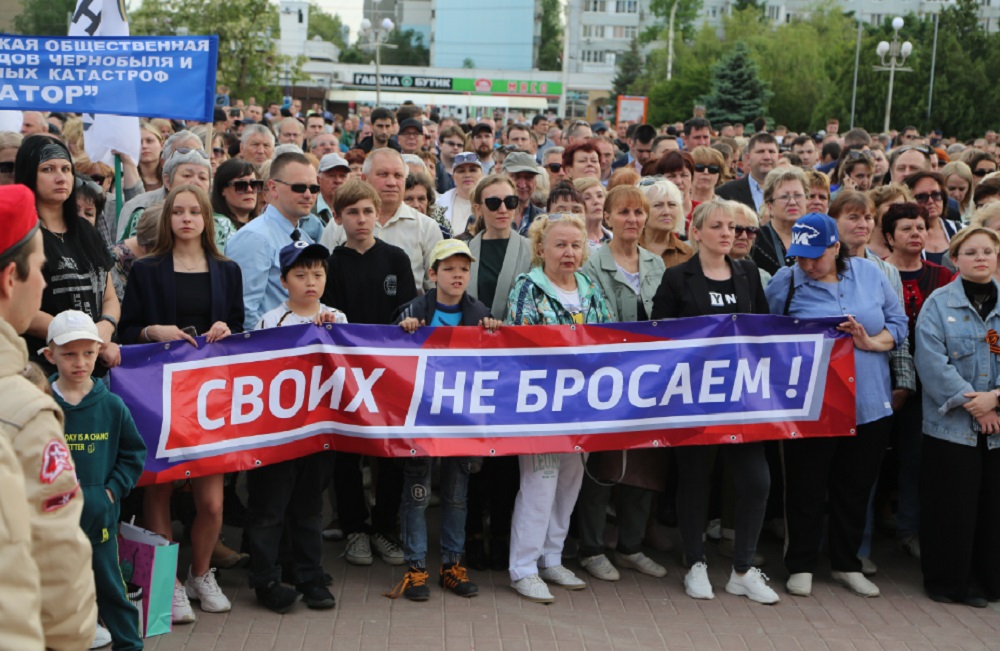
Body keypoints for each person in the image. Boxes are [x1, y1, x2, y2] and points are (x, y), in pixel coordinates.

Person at [120, 184, 244, 623]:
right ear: (168, 218)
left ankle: (201, 573)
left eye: (195, 211)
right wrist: (154, 331)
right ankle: (168, 581)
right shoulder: (148, 270)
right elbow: (127, 329)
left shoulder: (227, 269)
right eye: (179, 212)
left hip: (210, 395)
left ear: (208, 219)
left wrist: (225, 328)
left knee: (212, 501)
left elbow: (240, 329)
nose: (187, 218)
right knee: (161, 487)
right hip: (158, 391)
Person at [766, 213, 907, 599]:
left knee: (855, 487)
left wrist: (871, 342)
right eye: (801, 256)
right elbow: (766, 335)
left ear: (834, 247)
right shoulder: (786, 281)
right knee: (805, 486)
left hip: (868, 401)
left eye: (816, 256)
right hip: (812, 404)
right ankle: (801, 563)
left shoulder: (870, 273)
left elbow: (898, 323)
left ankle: (847, 563)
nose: (808, 265)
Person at [651, 200, 778, 604]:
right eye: (719, 226)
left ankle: (742, 570)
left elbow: (762, 330)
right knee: (695, 481)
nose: (730, 233)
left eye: (735, 227)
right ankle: (695, 563)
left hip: (742, 401)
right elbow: (659, 337)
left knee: (756, 482)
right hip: (694, 401)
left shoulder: (748, 274)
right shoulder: (677, 278)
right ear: (698, 231)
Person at [0, 183, 96, 650]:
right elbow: (60, 566)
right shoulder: (24, 410)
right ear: (9, 279)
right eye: (40, 268)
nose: (43, 284)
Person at [505, 213, 612, 603]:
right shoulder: (527, 287)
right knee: (540, 483)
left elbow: (607, 333)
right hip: (541, 407)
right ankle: (524, 567)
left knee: (570, 481)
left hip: (583, 406)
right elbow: (518, 343)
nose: (569, 252)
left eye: (576, 245)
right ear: (541, 249)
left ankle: (552, 557)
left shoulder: (589, 285)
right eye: (560, 245)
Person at [387, 239, 499, 601]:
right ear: (433, 274)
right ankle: (416, 568)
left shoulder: (479, 310)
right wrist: (402, 329)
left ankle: (452, 565)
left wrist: (494, 330)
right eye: (449, 269)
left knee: (456, 497)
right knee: (417, 495)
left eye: (463, 269)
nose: (457, 275)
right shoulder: (414, 309)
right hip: (420, 420)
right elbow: (385, 353)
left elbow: (495, 361)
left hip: (462, 421)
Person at [576, 185, 668, 583]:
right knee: (604, 465)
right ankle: (592, 548)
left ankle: (630, 546)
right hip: (608, 377)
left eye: (638, 212)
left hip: (650, 381)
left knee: (646, 463)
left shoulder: (656, 264)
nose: (632, 219)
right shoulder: (592, 264)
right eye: (624, 212)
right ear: (608, 218)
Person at [323, 179, 417, 568]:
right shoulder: (331, 263)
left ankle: (384, 526)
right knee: (347, 453)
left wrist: (411, 323)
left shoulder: (396, 258)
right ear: (338, 217)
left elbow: (409, 311)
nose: (361, 220)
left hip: (390, 370)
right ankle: (355, 528)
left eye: (367, 211)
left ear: (378, 213)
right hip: (346, 372)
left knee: (391, 452)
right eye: (352, 213)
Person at [247, 240, 344, 613]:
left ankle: (309, 575)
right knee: (269, 509)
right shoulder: (271, 321)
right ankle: (266, 578)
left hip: (318, 434)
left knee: (309, 509)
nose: (310, 282)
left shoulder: (338, 318)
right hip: (276, 435)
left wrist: (330, 333)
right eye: (300, 275)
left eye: (317, 274)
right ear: (284, 279)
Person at [43, 310, 145, 651]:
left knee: (112, 591)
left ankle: (130, 645)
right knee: (57, 597)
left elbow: (133, 454)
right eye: (69, 353)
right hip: (51, 527)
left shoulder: (113, 406)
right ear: (49, 355)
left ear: (99, 352)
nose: (80, 362)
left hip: (100, 521)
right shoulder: (41, 407)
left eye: (88, 353)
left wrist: (111, 492)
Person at [914, 226, 1000, 608]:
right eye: (971, 252)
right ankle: (950, 583)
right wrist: (974, 404)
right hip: (951, 428)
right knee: (952, 508)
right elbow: (931, 363)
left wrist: (995, 399)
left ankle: (990, 581)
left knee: (993, 509)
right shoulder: (937, 304)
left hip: (998, 424)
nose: (980, 258)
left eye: (987, 251)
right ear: (955, 258)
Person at [462, 175, 532, 570]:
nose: (503, 208)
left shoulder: (530, 248)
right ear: (478, 208)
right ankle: (472, 533)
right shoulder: (463, 250)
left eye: (510, 200)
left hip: (514, 367)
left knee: (506, 457)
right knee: (472, 456)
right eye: (493, 202)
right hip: (472, 366)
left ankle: (504, 533)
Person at [15, 136, 121, 375]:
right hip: (43, 370)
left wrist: (106, 325)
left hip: (94, 367)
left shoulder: (86, 230)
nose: (61, 177)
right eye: (48, 169)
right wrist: (86, 338)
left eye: (66, 169)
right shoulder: (19, 234)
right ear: (29, 174)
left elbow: (109, 297)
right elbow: (16, 307)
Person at [320, 149, 443, 291]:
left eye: (398, 175)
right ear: (364, 178)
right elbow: (323, 279)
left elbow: (435, 287)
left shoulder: (427, 227)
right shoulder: (338, 225)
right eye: (383, 174)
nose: (391, 182)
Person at [226, 152, 319, 329]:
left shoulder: (305, 238)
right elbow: (244, 312)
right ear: (273, 188)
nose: (308, 195)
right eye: (299, 187)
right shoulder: (254, 237)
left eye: (314, 188)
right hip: (270, 348)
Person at [752, 167, 810, 275]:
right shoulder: (756, 241)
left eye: (798, 195)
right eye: (784, 197)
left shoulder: (817, 236)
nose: (792, 202)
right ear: (769, 206)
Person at [902, 171, 960, 266]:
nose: (930, 201)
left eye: (936, 195)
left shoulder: (960, 230)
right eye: (921, 197)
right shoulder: (901, 235)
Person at [717, 133, 780, 211]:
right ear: (748, 158)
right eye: (760, 152)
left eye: (771, 151)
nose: (767, 157)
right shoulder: (726, 192)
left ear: (779, 157)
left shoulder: (791, 191)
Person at [638, 179, 693, 269]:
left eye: (672, 204)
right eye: (658, 205)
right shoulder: (628, 249)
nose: (666, 212)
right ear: (641, 211)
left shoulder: (688, 254)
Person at [440, 152, 484, 236]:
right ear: (453, 177)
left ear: (482, 174)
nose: (467, 175)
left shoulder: (491, 202)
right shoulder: (439, 203)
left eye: (472, 170)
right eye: (461, 171)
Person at [211, 158, 262, 231]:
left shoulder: (265, 226)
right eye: (241, 185)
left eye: (254, 184)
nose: (250, 190)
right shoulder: (213, 228)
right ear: (222, 190)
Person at [501, 151, 544, 234]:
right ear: (502, 178)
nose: (522, 185)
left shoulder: (543, 220)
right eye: (515, 176)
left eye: (529, 177)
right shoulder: (485, 217)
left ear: (535, 182)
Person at [574, 177, 610, 251]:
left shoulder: (614, 237)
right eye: (587, 198)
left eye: (600, 196)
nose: (596, 201)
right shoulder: (574, 243)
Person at [138, 123, 164, 192]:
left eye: (149, 141)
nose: (144, 146)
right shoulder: (125, 182)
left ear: (162, 145)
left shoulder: (172, 178)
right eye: (139, 142)